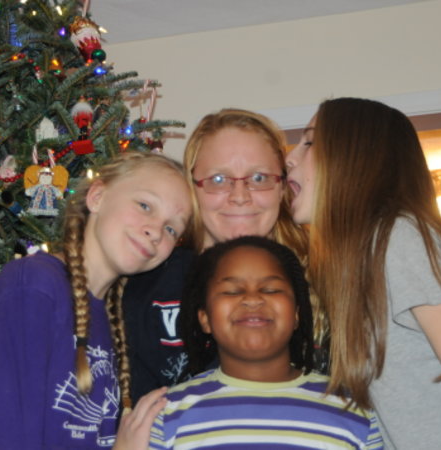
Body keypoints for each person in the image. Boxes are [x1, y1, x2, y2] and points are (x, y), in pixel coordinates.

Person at [285, 97, 441, 449]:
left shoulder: (398, 237)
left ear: (355, 156)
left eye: (309, 142)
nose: (289, 157)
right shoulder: (362, 261)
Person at [0, 152, 192, 449]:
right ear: (97, 197)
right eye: (145, 205)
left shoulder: (113, 317)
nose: (156, 232)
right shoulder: (32, 289)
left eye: (171, 229)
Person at [122, 108, 320, 404]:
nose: (239, 196)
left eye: (259, 177)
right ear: (192, 188)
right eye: (218, 179)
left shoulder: (323, 283)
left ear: (282, 187)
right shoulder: (147, 282)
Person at [149, 236, 383, 449]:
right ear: (205, 319)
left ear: (297, 315)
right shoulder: (168, 414)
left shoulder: (352, 409)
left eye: (271, 290)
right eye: (232, 291)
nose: (253, 299)